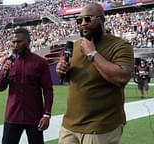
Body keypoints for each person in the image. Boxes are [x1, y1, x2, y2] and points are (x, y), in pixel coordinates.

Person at [56, 3, 134, 144]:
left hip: (100, 127)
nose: (83, 23)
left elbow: (121, 78)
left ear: (102, 20)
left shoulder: (120, 45)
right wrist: (62, 69)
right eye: (79, 20)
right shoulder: (74, 46)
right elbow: (72, 79)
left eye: (88, 19)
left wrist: (92, 53)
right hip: (69, 125)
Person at [0, 27, 54, 144]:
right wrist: (4, 72)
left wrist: (46, 114)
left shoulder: (40, 62)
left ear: (28, 42)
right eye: (13, 42)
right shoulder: (8, 61)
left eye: (19, 41)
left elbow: (48, 90)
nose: (15, 45)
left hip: (34, 116)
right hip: (12, 115)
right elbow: (0, 87)